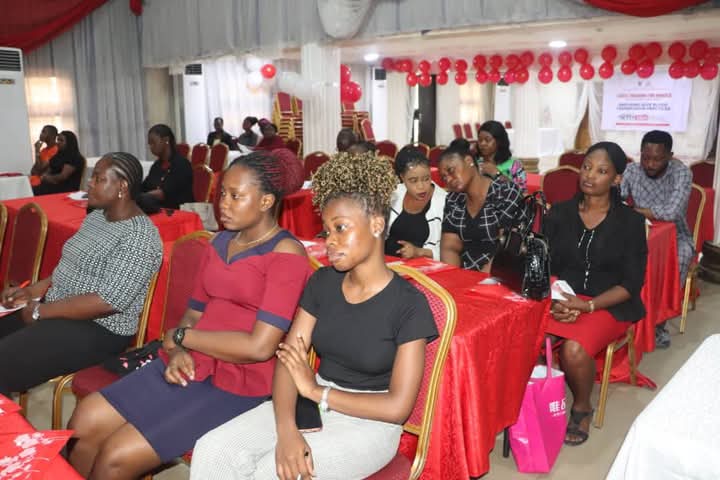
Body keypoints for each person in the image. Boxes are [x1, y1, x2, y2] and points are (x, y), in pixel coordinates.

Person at [190, 152, 438, 480]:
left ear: (377, 225)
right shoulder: (323, 282)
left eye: (340, 229)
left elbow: (397, 407)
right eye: (326, 231)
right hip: (310, 406)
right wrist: (287, 430)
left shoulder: (409, 304)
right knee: (211, 450)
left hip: (370, 423)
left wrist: (317, 392)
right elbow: (288, 360)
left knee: (272, 474)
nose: (329, 242)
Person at [67, 149, 310, 479]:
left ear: (266, 201)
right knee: (83, 424)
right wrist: (177, 350)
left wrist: (182, 338)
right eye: (222, 194)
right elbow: (193, 313)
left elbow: (259, 347)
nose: (223, 204)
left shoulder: (286, 254)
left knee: (116, 456)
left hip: (239, 381)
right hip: (191, 360)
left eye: (235, 196)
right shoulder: (219, 242)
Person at [0, 153, 162, 397]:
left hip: (99, 329)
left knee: (5, 360)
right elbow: (67, 270)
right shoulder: (96, 217)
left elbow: (108, 302)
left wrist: (40, 311)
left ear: (122, 187)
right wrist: (29, 292)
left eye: (98, 179)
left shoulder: (139, 236)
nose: (89, 183)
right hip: (58, 309)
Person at [545, 141, 647, 446]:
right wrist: (557, 300)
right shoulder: (559, 213)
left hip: (609, 304)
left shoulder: (630, 222)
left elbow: (631, 285)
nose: (590, 175)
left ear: (617, 179)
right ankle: (530, 400)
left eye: (601, 171)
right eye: (587, 167)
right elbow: (544, 264)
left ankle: (581, 406)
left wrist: (587, 307)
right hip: (562, 298)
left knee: (573, 350)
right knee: (522, 334)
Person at [621, 130, 692, 349]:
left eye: (657, 159)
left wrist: (635, 211)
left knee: (682, 256)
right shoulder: (632, 170)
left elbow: (672, 212)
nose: (650, 164)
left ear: (670, 156)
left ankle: (658, 323)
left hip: (676, 235)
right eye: (645, 158)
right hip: (637, 233)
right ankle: (625, 318)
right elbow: (616, 200)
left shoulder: (682, 173)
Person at [439, 142, 525, 272]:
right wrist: (453, 277)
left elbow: (507, 247)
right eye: (444, 177)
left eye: (451, 171)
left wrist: (481, 280)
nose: (449, 180)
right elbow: (450, 248)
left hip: (501, 273)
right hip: (465, 274)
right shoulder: (453, 199)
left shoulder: (506, 193)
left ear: (469, 161)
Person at [386, 147, 447, 260]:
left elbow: (450, 251)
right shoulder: (394, 194)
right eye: (413, 181)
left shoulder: (444, 202)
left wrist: (419, 252)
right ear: (402, 177)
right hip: (387, 260)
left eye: (426, 179)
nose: (421, 186)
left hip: (423, 266)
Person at [141, 124, 194, 209]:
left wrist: (142, 197)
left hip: (178, 211)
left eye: (153, 142)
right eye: (149, 144)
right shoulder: (156, 166)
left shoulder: (181, 164)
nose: (151, 147)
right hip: (159, 209)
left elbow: (165, 194)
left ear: (166, 140)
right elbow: (145, 187)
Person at [32, 130, 86, 195]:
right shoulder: (58, 155)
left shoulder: (75, 157)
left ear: (69, 143)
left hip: (65, 189)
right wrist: (44, 175)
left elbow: (63, 176)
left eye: (61, 140)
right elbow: (45, 169)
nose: (58, 142)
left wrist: (49, 178)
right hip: (51, 185)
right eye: (58, 140)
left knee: (32, 191)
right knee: (29, 190)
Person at [477, 120, 527, 191]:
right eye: (480, 140)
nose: (482, 143)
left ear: (499, 141)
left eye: (487, 140)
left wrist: (497, 173)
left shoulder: (514, 165)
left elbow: (521, 192)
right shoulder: (475, 163)